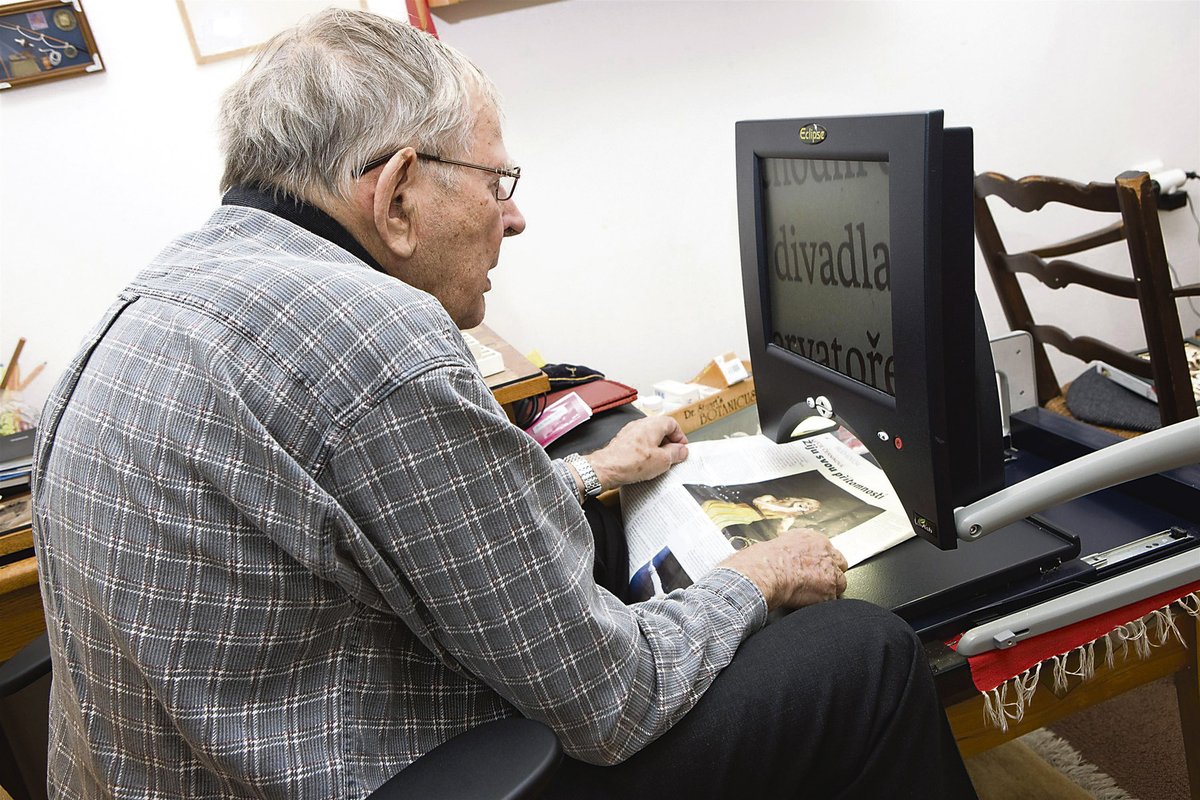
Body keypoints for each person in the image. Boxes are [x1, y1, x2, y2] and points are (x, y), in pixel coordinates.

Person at [31, 9, 977, 799]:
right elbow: (616, 701)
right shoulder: (372, 333)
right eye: (497, 183)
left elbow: (350, 523)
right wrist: (759, 576)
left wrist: (590, 473)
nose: (513, 216)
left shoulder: (156, 296)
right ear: (399, 194)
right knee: (862, 654)